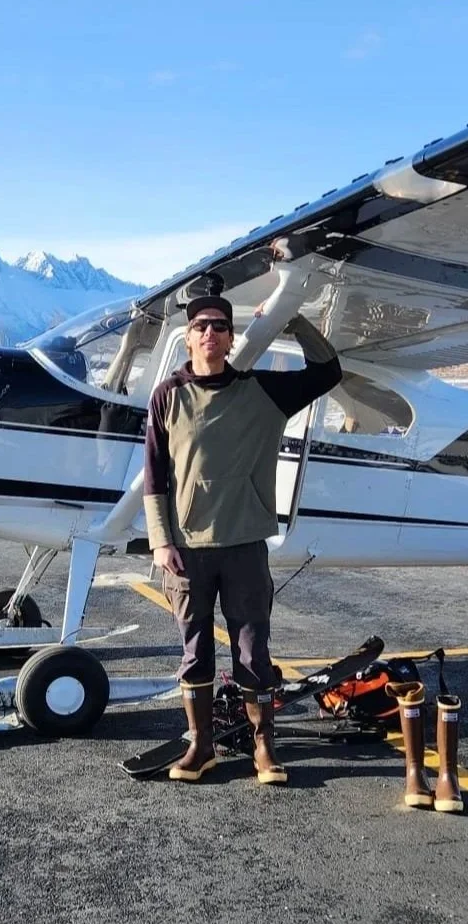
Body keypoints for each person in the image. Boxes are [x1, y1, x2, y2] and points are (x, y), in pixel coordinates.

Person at [143, 292, 342, 784]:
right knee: (195, 651)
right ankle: (202, 746)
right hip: (187, 548)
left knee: (253, 651)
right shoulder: (167, 395)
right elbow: (153, 477)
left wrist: (293, 320)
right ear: (187, 337)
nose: (210, 333)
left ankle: (264, 748)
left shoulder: (263, 392)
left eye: (219, 326)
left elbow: (327, 372)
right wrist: (159, 540)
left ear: (231, 339)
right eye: (201, 326)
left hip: (245, 546)